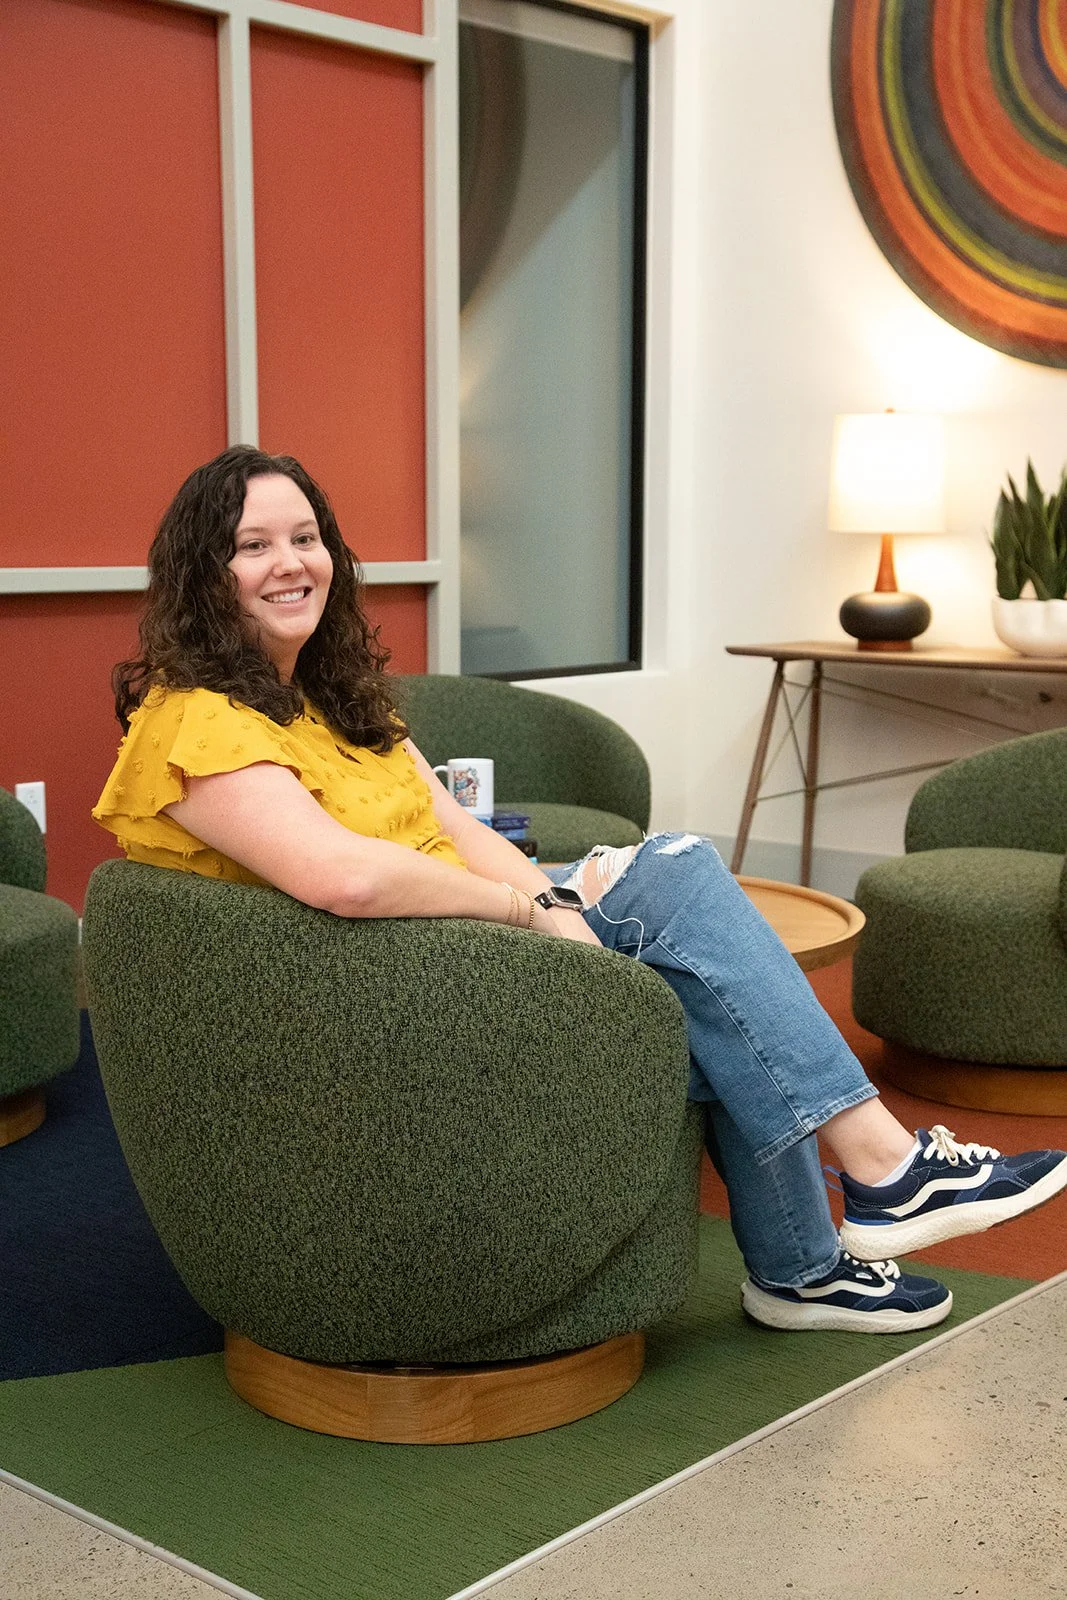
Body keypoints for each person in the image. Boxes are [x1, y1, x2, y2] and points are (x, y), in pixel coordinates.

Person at [93, 447, 1067, 1336]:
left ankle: (822, 1247)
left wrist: (555, 903)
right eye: (253, 545)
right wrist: (530, 912)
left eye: (304, 537)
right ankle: (863, 1195)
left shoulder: (332, 696)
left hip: (435, 924)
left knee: (686, 905)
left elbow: (457, 829)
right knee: (695, 932)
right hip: (375, 977)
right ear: (203, 577)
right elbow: (344, 878)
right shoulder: (192, 720)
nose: (290, 561)